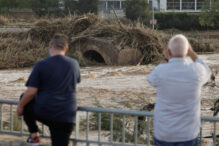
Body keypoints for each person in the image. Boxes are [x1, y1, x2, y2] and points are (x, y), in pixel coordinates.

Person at [17, 34, 81, 146]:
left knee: (24, 99)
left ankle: (34, 135)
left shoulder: (41, 65)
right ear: (66, 48)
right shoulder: (74, 64)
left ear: (50, 45)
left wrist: (20, 106)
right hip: (67, 116)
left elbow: (31, 92)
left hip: (45, 111)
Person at [147, 34, 211, 146]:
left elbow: (151, 79)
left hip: (164, 133)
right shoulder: (197, 71)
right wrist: (192, 53)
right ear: (187, 52)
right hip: (188, 134)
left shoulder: (160, 71)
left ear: (169, 52)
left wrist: (166, 58)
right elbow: (207, 70)